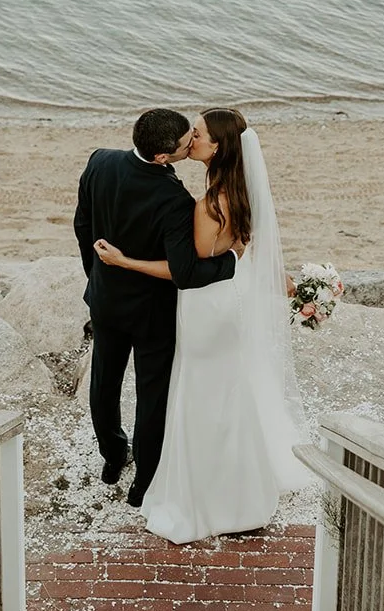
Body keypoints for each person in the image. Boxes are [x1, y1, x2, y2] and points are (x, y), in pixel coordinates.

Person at [94, 108, 309, 543]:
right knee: (212, 393)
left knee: (189, 393)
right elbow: (229, 255)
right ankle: (222, 488)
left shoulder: (198, 200)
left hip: (193, 308)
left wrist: (115, 264)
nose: (192, 138)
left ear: (217, 147)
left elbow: (186, 270)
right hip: (212, 306)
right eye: (190, 134)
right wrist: (277, 279)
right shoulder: (226, 191)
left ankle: (175, 483)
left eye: (200, 134)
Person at [73, 108, 238, 507]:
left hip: (106, 301)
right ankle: (143, 483)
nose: (191, 146)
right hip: (152, 314)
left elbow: (82, 226)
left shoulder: (101, 161)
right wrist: (231, 261)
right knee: (152, 397)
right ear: (164, 157)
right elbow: (184, 272)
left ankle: (113, 458)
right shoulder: (175, 201)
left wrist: (98, 276)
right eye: (186, 144)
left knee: (103, 385)